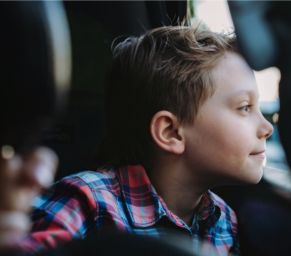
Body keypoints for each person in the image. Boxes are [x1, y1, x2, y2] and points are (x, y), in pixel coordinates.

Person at [1, 25, 273, 255]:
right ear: (170, 132)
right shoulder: (87, 201)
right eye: (244, 107)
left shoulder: (223, 219)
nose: (266, 127)